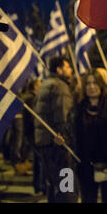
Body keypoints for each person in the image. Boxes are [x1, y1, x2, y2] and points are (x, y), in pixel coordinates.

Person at [73, 68, 107, 203]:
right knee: (88, 199)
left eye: (95, 83)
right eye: (88, 83)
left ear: (101, 85)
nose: (91, 87)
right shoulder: (78, 109)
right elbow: (71, 134)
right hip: (86, 166)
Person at [33, 57, 78, 203]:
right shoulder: (60, 86)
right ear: (59, 70)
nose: (71, 70)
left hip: (45, 143)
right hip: (59, 145)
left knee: (54, 186)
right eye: (68, 67)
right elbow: (63, 116)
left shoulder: (45, 84)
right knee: (67, 186)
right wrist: (66, 141)